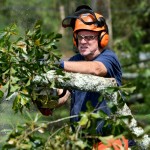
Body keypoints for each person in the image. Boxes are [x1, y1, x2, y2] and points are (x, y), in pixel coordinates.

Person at [36, 4, 132, 149]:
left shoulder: (109, 57)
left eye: (88, 37)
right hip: (82, 139)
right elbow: (64, 94)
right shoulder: (74, 61)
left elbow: (95, 69)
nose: (83, 41)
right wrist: (48, 99)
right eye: (80, 37)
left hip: (111, 138)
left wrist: (57, 64)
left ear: (102, 38)